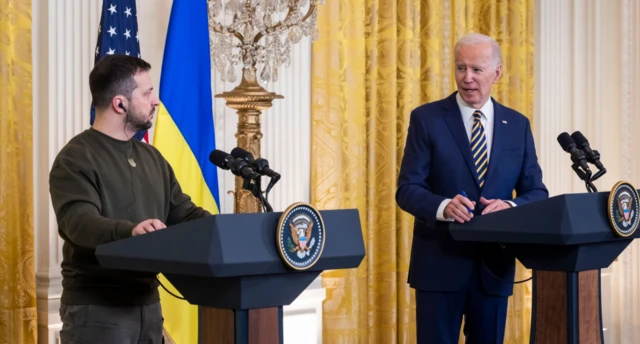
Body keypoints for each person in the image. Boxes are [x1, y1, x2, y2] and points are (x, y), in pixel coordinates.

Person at [396, 33, 548, 343]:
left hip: (493, 269)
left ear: (497, 72)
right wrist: (442, 207)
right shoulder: (427, 119)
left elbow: (537, 193)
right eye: (461, 68)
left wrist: (511, 207)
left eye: (477, 69)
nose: (467, 78)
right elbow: (407, 188)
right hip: (439, 266)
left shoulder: (517, 125)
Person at [49, 54, 211, 343]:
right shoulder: (75, 158)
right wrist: (131, 232)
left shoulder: (152, 157)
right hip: (98, 310)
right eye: (147, 93)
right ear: (120, 103)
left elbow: (183, 214)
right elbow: (79, 222)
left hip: (148, 306)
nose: (156, 101)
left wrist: (227, 230)